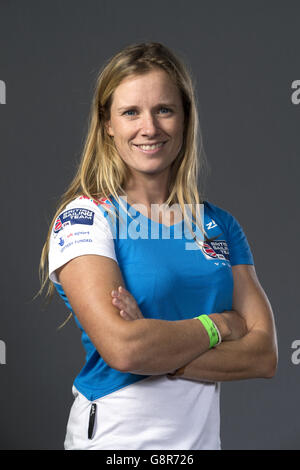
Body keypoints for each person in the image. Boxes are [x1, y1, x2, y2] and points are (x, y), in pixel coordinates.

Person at [39, 42, 278, 450]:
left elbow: (265, 354)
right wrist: (220, 325)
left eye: (164, 110)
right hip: (116, 442)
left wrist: (161, 350)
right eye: (131, 112)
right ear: (108, 123)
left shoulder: (218, 224)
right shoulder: (85, 216)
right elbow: (125, 349)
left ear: (185, 118)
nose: (149, 127)